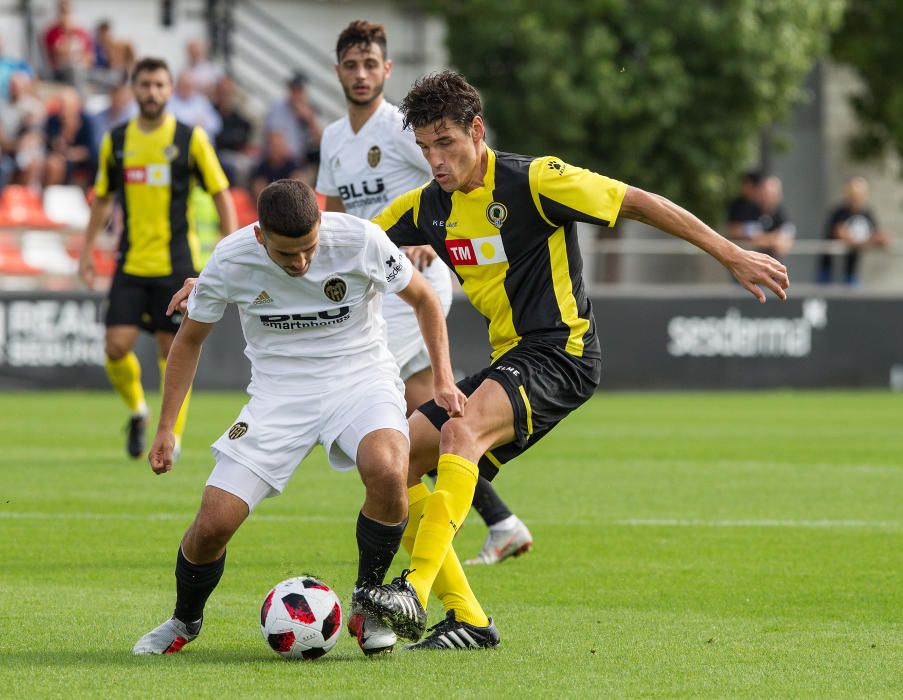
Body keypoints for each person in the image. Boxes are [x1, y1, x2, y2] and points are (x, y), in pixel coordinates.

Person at [346, 71, 789, 650]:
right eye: (425, 148)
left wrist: (731, 254)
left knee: (460, 431)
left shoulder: (535, 180)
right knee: (396, 464)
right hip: (511, 359)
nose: (436, 160)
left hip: (563, 351)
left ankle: (415, 589)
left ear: (476, 131)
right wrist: (233, 267)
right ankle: (470, 620)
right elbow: (341, 239)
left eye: (446, 143)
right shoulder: (428, 206)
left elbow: (641, 203)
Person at [132, 179, 464, 655]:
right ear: (260, 236)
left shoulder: (358, 239)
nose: (301, 263)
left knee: (389, 468)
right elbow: (188, 341)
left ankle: (369, 603)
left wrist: (444, 380)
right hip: (278, 395)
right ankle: (184, 620)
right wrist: (166, 427)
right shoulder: (231, 259)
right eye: (287, 256)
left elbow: (425, 299)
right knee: (212, 525)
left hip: (361, 378)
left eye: (309, 250)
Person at [317, 20, 532, 580]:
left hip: (414, 284)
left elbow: (454, 177)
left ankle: (433, 529)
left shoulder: (403, 127)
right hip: (371, 282)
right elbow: (338, 213)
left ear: (387, 70)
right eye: (351, 65)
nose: (361, 75)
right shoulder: (334, 139)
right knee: (425, 414)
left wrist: (430, 238)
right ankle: (500, 523)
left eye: (371, 65)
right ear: (338, 71)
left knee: (399, 410)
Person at [79, 57, 236, 461]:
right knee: (115, 347)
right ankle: (138, 410)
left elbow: (220, 191)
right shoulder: (116, 141)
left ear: (170, 90)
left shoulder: (189, 139)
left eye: (159, 85)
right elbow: (102, 198)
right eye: (145, 85)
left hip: (176, 266)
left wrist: (229, 242)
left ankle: (173, 439)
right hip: (130, 264)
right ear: (134, 89)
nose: (152, 92)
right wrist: (86, 250)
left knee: (174, 355)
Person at [817, 176, 890, 285]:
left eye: (860, 195)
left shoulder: (866, 213)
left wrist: (870, 240)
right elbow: (843, 236)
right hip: (829, 270)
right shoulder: (839, 212)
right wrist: (868, 241)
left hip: (851, 272)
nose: (857, 198)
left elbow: (880, 236)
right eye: (854, 194)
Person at [263, 72, 322, 168]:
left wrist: (310, 121)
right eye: (293, 89)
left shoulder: (311, 109)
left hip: (301, 160)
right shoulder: (278, 106)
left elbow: (323, 142)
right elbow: (275, 141)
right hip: (285, 160)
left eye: (299, 90)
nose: (295, 94)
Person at [43, 88, 96, 186]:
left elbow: (89, 150)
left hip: (80, 162)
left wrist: (70, 154)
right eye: (63, 106)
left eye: (68, 106)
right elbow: (55, 145)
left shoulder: (86, 121)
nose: (65, 110)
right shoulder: (53, 120)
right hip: (58, 159)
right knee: (54, 164)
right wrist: (67, 130)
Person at [754, 175, 795, 260]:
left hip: (771, 265)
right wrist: (772, 238)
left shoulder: (781, 215)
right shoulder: (749, 211)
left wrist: (765, 239)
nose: (768, 197)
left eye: (772, 193)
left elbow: (785, 243)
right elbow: (745, 236)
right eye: (765, 193)